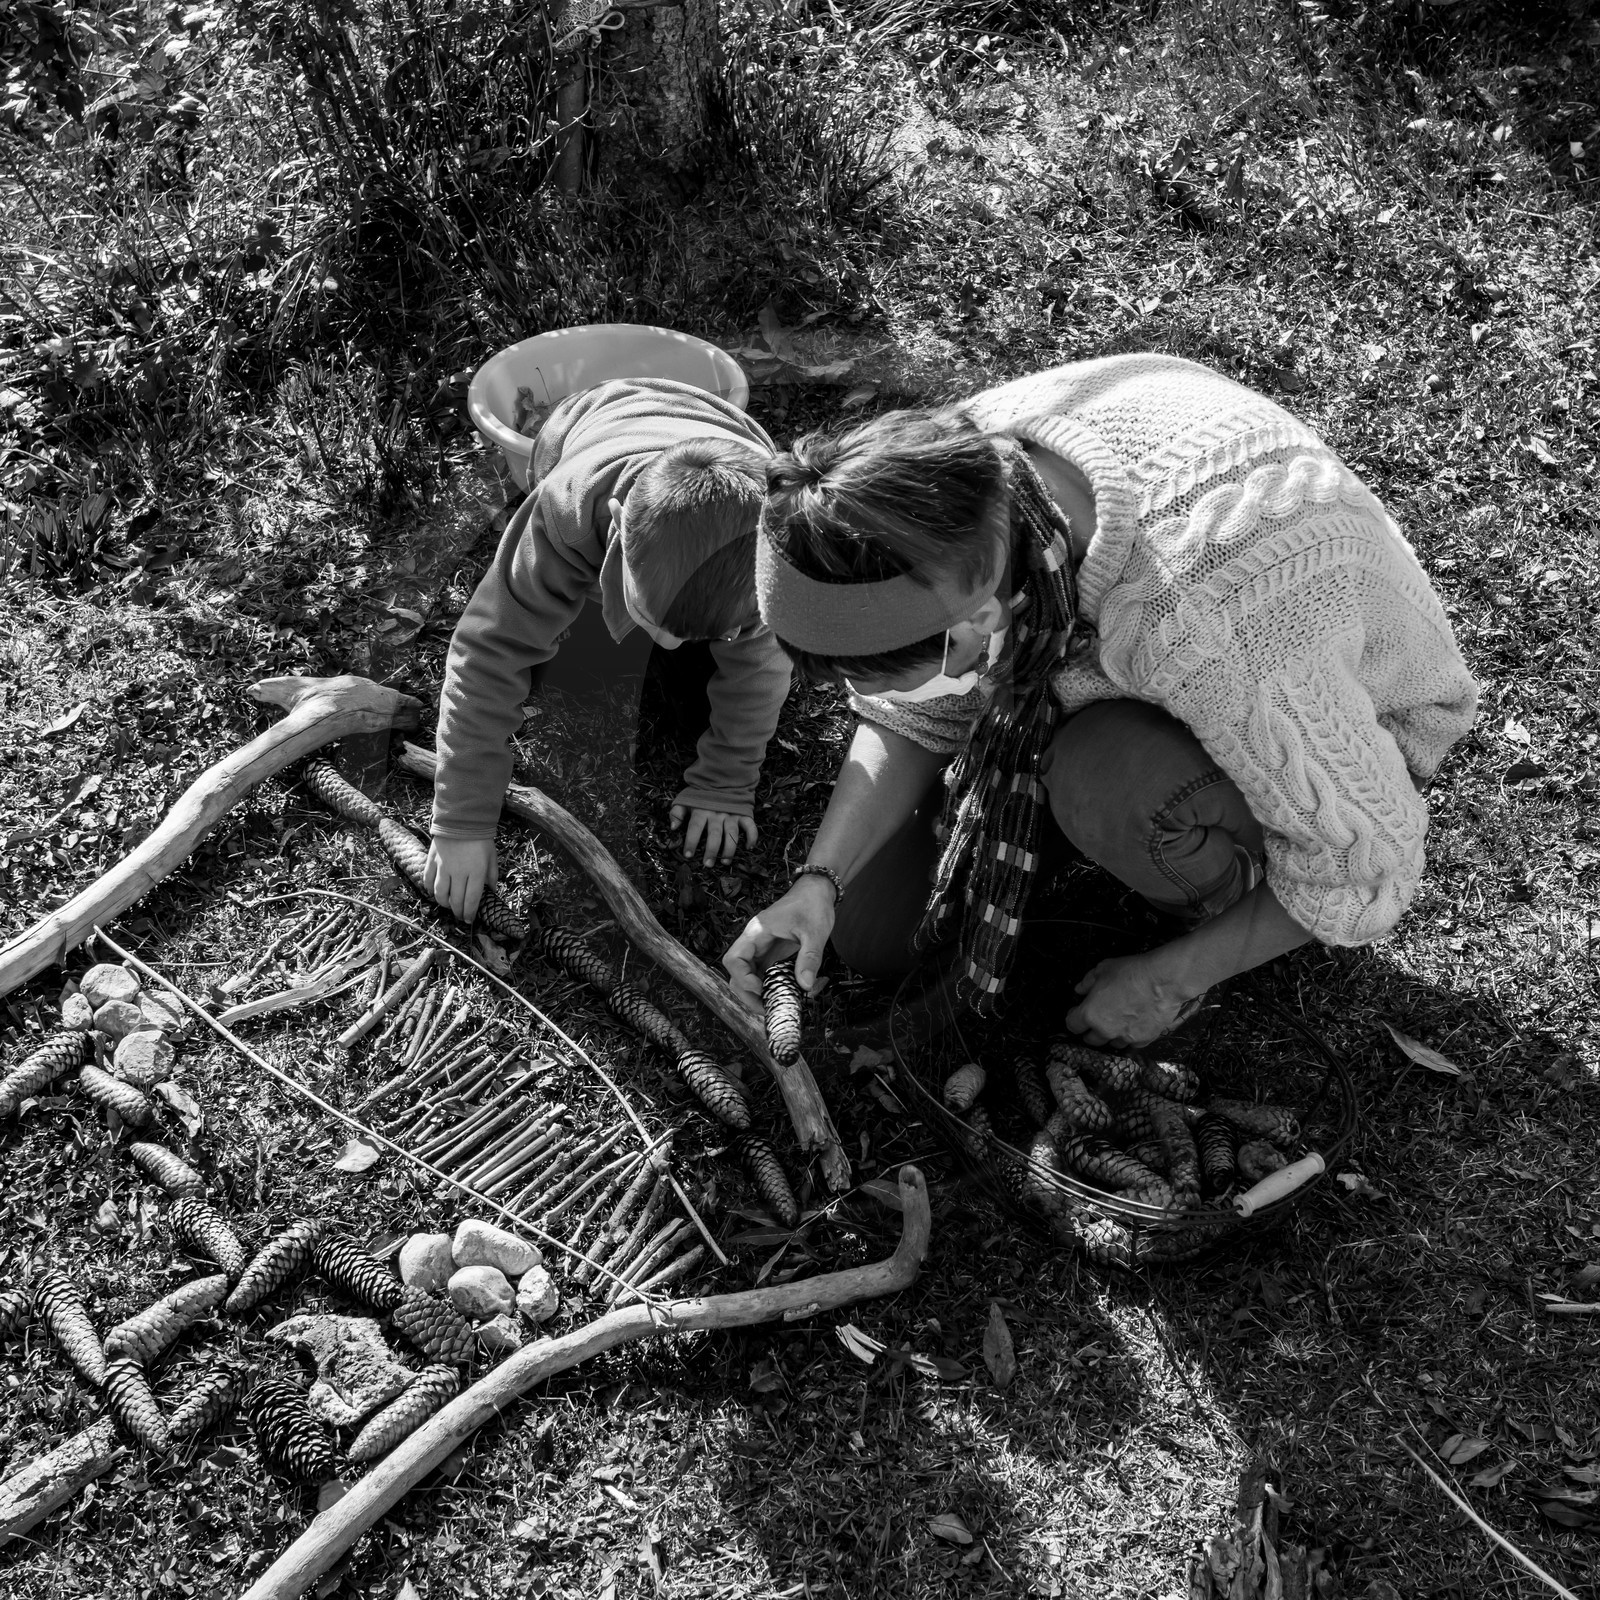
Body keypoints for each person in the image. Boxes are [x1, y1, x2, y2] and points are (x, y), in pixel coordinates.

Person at [723, 353, 1478, 1048]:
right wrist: (817, 883)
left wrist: (1168, 978)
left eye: (880, 676)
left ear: (983, 622)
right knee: (873, 929)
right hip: (1128, 661)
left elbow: (1369, 857)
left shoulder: (1207, 628)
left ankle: (1218, 886)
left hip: (1333, 722)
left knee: (1106, 776)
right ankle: (1066, 786)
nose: (869, 697)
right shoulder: (939, 485)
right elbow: (915, 709)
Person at [427, 376, 792, 922]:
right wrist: (462, 819)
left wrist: (725, 783)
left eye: (695, 637)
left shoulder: (775, 559)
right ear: (617, 528)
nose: (666, 645)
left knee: (734, 658)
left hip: (725, 434)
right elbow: (487, 650)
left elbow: (763, 671)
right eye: (653, 621)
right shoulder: (566, 510)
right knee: (566, 650)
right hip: (585, 423)